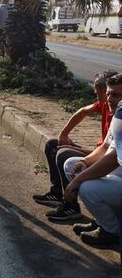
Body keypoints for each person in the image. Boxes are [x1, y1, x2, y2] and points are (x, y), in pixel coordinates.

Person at [32, 71, 119, 221]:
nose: (104, 99)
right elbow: (83, 111)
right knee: (53, 145)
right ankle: (57, 193)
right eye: (105, 94)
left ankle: (71, 205)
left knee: (63, 154)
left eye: (106, 94)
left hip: (110, 161)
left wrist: (77, 154)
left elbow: (110, 155)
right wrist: (64, 134)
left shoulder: (118, 114)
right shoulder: (107, 105)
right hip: (102, 153)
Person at [62, 76, 122, 245]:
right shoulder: (118, 114)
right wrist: (85, 162)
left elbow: (112, 160)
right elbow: (104, 148)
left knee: (88, 188)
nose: (109, 99)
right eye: (109, 94)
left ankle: (111, 232)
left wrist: (76, 183)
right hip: (114, 175)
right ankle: (100, 220)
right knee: (72, 165)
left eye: (116, 95)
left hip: (118, 175)